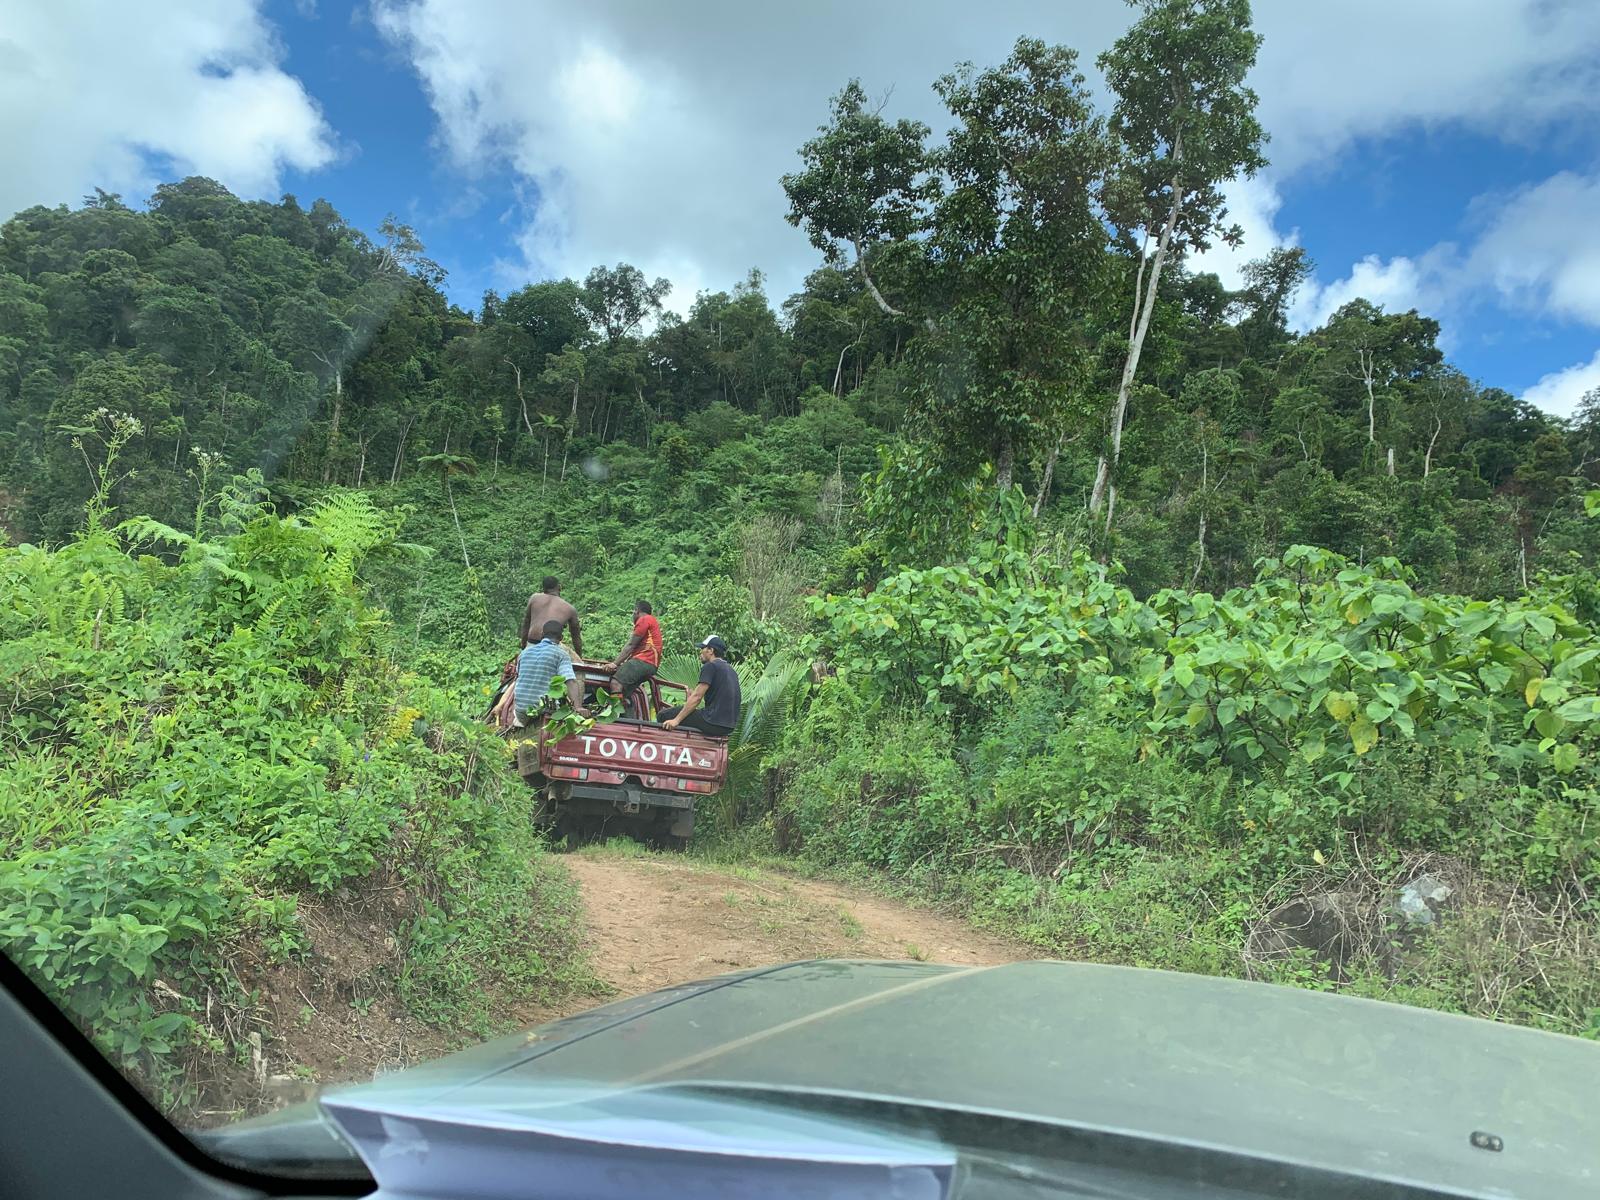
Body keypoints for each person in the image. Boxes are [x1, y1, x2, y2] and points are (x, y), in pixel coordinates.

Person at [659, 635, 740, 738]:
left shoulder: (711, 666)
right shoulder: (731, 670)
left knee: (664, 715)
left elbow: (697, 697)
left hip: (712, 722)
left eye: (702, 648)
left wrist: (676, 720)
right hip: (729, 726)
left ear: (711, 650)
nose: (700, 652)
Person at [512, 620, 587, 727]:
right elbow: (570, 681)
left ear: (542, 635)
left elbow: (518, 678)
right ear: (561, 638)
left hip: (521, 710)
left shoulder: (524, 653)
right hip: (544, 709)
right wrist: (578, 707)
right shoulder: (561, 654)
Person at [600, 599, 663, 706]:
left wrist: (614, 663)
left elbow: (630, 646)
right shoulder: (652, 620)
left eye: (633, 612)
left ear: (637, 611)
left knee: (616, 683)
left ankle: (616, 712)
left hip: (644, 660)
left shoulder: (644, 619)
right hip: (651, 664)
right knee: (624, 692)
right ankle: (626, 711)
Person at [520, 576, 583, 656]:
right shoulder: (569, 608)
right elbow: (576, 637)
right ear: (559, 587)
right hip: (552, 648)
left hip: (532, 643)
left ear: (543, 588)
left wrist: (523, 647)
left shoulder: (534, 598)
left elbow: (526, 623)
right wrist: (579, 658)